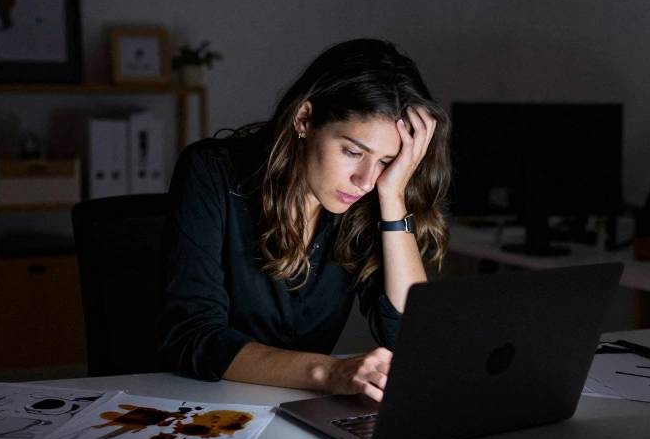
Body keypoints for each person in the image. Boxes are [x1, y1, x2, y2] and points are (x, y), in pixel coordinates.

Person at [158, 39, 450, 402]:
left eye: (387, 162)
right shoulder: (212, 173)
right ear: (304, 119)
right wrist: (328, 372)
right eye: (353, 152)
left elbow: (410, 339)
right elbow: (194, 336)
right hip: (196, 406)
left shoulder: (368, 200)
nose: (365, 179)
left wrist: (393, 197)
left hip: (295, 412)